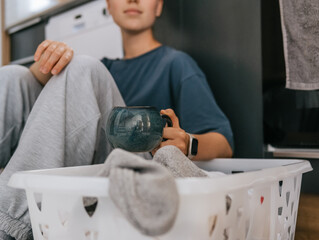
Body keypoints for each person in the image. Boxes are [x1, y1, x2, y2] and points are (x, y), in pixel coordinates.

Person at [0, 0, 234, 239]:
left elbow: (224, 143)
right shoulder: (106, 68)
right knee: (11, 77)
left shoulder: (176, 64)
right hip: (88, 167)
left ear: (158, 6)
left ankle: (7, 226)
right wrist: (49, 60)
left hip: (137, 170)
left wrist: (187, 142)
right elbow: (31, 94)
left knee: (84, 68)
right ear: (108, 6)